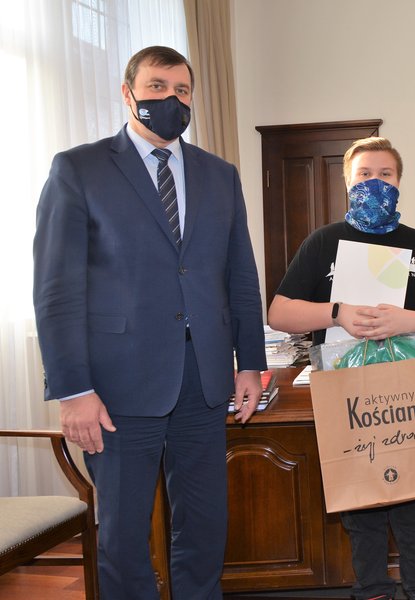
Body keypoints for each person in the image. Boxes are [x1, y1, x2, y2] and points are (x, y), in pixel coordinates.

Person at [33, 46, 266, 599]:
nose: (171, 99)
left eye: (182, 90)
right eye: (158, 87)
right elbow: (56, 290)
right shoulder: (79, 169)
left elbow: (240, 277)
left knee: (205, 529)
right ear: (128, 93)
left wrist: (250, 364)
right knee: (122, 537)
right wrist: (73, 391)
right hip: (116, 389)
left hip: (204, 383)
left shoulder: (220, 175)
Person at [267, 136, 415, 600]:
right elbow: (279, 313)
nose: (376, 182)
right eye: (365, 175)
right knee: (362, 508)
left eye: (385, 174)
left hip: (413, 393)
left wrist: (406, 320)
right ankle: (372, 590)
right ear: (347, 182)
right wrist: (337, 313)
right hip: (347, 396)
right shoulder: (323, 242)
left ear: (400, 182)